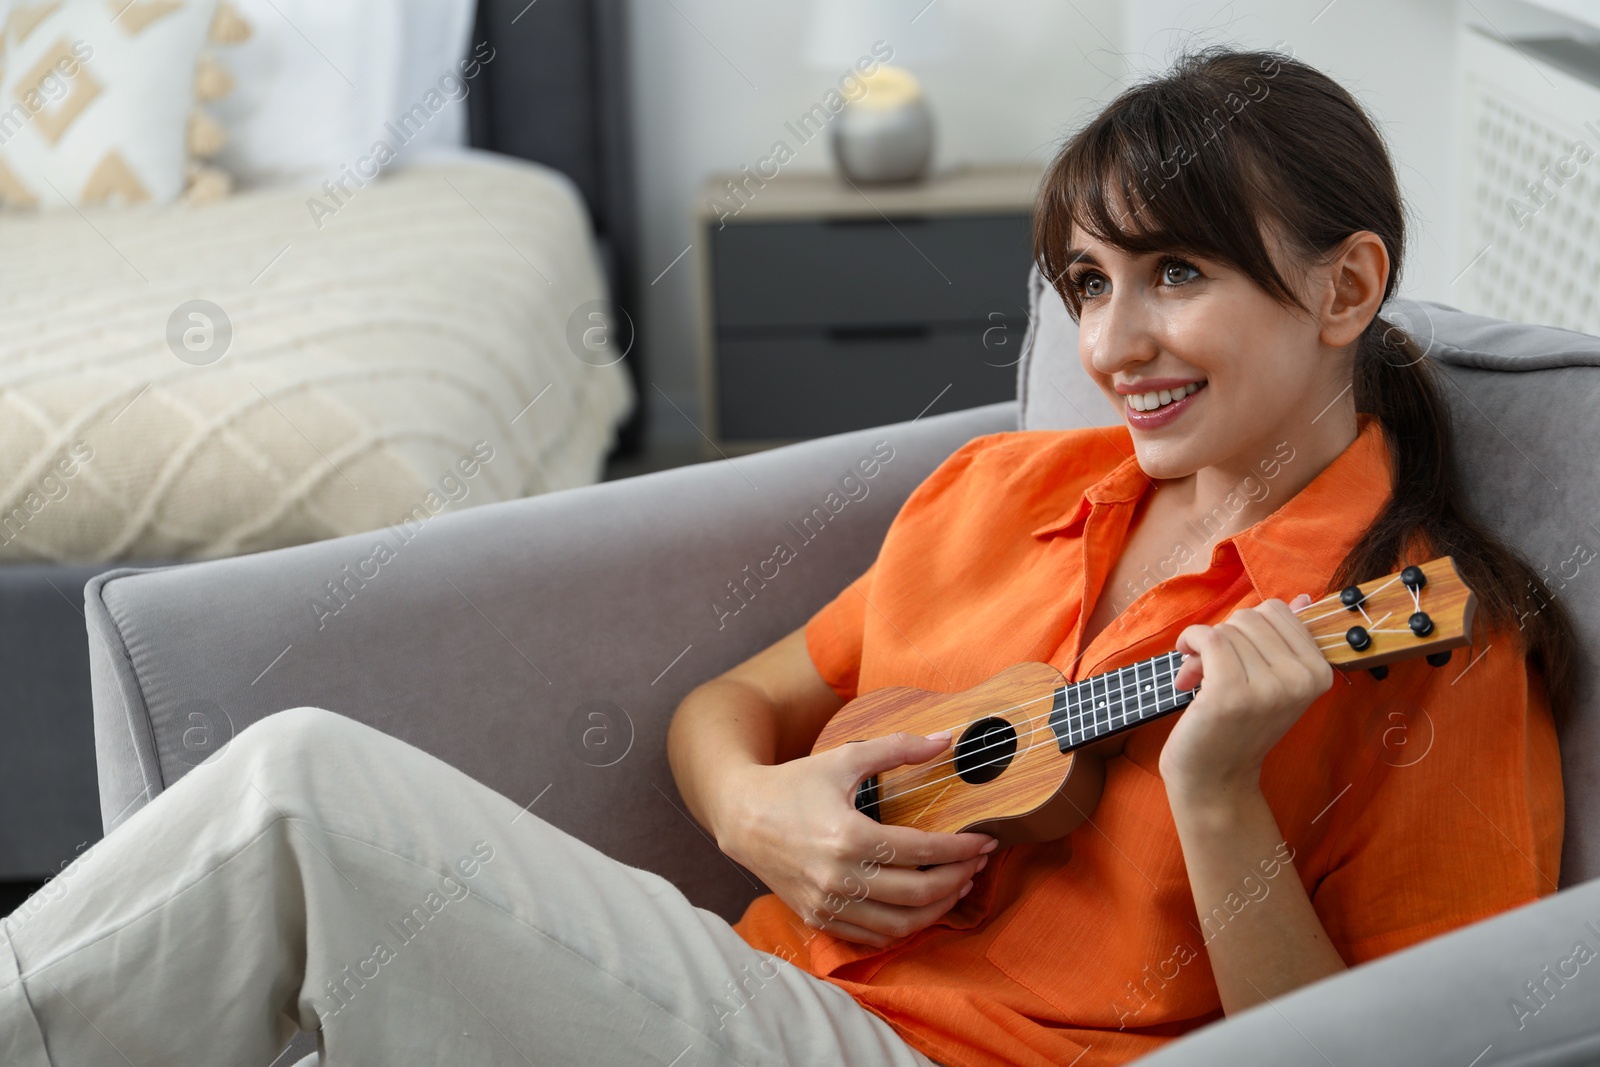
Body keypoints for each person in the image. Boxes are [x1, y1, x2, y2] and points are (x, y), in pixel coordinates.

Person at [0, 46, 1573, 1067]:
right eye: (1085, 283)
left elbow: (1399, 1048)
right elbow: (728, 707)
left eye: (1174, 273)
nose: (1113, 340)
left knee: (302, 797)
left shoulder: (1432, 645)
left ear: (1347, 286)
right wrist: (762, 815)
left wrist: (1218, 794)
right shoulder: (1008, 486)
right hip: (755, 989)